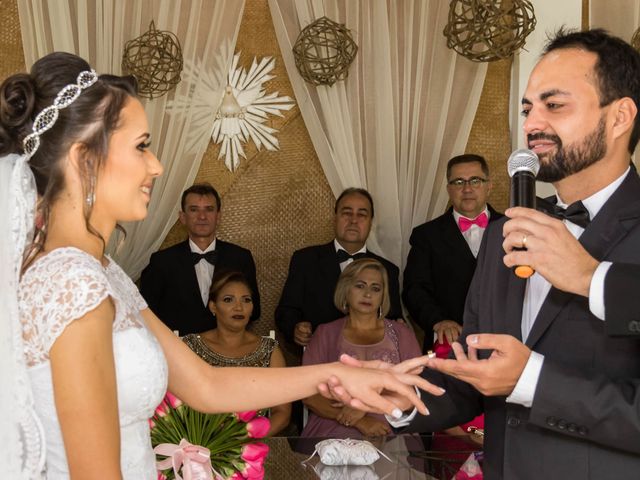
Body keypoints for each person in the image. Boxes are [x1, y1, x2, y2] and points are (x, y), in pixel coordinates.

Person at [0, 51, 442, 479]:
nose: (155, 166)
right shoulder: (72, 283)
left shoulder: (102, 272)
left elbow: (206, 385)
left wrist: (338, 373)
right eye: (141, 146)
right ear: (84, 158)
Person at [358, 28, 640, 480]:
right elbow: (477, 372)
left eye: (555, 104)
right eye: (528, 108)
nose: (531, 124)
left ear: (620, 115)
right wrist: (404, 399)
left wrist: (589, 280)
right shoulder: (502, 234)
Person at [301, 258, 422, 439]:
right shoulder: (325, 333)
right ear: (345, 289)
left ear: (383, 296)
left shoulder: (402, 334)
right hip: (333, 423)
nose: (368, 294)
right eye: (360, 286)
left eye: (376, 288)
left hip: (391, 423)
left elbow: (415, 390)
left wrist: (366, 407)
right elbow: (308, 394)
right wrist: (359, 421)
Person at [276, 187, 403, 349]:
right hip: (318, 358)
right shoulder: (305, 260)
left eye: (362, 214)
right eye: (347, 213)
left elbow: (392, 319)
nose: (353, 220)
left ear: (371, 222)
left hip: (369, 361)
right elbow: (286, 311)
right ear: (335, 217)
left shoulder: (388, 270)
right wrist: (295, 328)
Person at [403, 153, 502, 352]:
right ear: (448, 189)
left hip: (504, 342)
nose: (467, 189)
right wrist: (438, 321)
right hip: (449, 347)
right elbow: (414, 289)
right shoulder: (426, 235)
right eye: (458, 182)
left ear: (488, 185)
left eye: (475, 180)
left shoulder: (513, 228)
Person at [140, 182, 260, 335]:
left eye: (209, 209)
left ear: (218, 216)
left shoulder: (240, 257)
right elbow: (147, 314)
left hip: (229, 351)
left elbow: (254, 310)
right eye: (194, 209)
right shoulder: (162, 262)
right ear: (182, 217)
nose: (202, 216)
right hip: (179, 352)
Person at [183, 270, 290, 436]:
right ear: (213, 306)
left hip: (252, 449)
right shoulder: (190, 347)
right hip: (200, 446)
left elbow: (282, 413)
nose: (239, 307)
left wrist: (248, 440)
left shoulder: (269, 350)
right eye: (228, 300)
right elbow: (175, 407)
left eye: (246, 300)